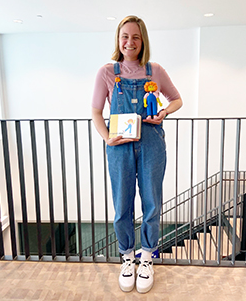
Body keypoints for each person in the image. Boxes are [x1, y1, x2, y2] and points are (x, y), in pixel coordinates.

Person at [91, 15, 183, 294]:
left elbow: (177, 99)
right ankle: (127, 257)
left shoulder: (154, 70)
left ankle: (147, 257)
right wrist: (107, 138)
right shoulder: (107, 71)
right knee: (122, 204)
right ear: (118, 40)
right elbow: (96, 111)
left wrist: (165, 112)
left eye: (135, 37)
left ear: (143, 41)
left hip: (152, 142)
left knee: (152, 202)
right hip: (119, 145)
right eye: (124, 36)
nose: (129, 42)